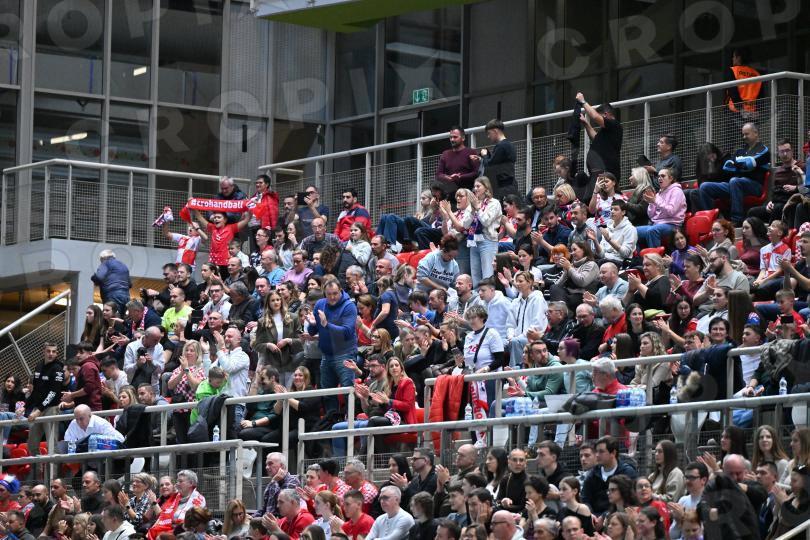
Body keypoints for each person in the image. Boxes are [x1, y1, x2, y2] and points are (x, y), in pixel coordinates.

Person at [697, 122, 770, 225]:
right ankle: (711, 220)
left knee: (735, 181)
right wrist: (742, 164)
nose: (744, 137)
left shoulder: (764, 150)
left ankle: (736, 219)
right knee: (705, 186)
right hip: (735, 185)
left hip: (755, 186)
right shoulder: (740, 151)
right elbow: (728, 166)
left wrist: (739, 164)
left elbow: (749, 164)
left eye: (747, 134)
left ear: (756, 133)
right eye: (743, 134)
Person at [306, 278, 358, 414]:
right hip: (326, 354)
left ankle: (351, 420)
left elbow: (347, 332)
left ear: (340, 290)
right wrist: (311, 324)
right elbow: (313, 331)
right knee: (327, 392)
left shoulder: (349, 306)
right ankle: (331, 420)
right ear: (324, 293)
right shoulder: (320, 304)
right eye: (329, 294)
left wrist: (326, 324)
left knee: (347, 390)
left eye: (335, 293)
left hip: (345, 353)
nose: (332, 297)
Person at [254, 290, 302, 387]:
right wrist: (268, 345)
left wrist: (288, 340)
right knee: (276, 392)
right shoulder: (262, 321)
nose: (276, 302)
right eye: (272, 300)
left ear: (281, 301)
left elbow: (301, 340)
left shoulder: (293, 317)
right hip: (272, 364)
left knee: (289, 392)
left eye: (278, 300)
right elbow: (257, 345)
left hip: (291, 362)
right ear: (268, 303)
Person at [582, 436, 638, 515]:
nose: (597, 455)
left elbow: (630, 499)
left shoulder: (627, 472)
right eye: (596, 451)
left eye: (601, 451)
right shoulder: (592, 474)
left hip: (620, 515)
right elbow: (585, 499)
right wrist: (590, 515)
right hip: (594, 517)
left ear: (613, 453)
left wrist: (605, 515)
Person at [577, 93, 623, 188]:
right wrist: (586, 124)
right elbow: (595, 138)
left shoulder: (614, 125)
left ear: (605, 114)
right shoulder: (606, 131)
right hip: (599, 173)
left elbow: (594, 116)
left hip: (608, 173)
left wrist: (583, 101)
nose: (599, 119)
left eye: (600, 116)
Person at [147, 470, 206, 540]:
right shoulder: (172, 498)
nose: (177, 484)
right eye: (161, 485)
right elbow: (161, 517)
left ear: (191, 483)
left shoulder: (198, 499)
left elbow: (190, 525)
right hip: (168, 530)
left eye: (180, 481)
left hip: (187, 534)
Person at [636, 168, 686, 248]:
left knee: (652, 230)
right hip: (657, 224)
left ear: (670, 178)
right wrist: (651, 202)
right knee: (633, 231)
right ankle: (639, 255)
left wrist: (655, 201)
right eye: (659, 176)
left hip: (672, 225)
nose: (659, 178)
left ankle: (655, 255)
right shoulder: (659, 193)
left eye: (663, 176)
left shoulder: (677, 191)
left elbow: (671, 211)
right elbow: (651, 215)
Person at [467, 177, 502, 287]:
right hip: (474, 241)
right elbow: (465, 225)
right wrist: (472, 210)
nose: (475, 189)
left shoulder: (494, 203)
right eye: (474, 186)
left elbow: (486, 222)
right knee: (475, 275)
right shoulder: (474, 203)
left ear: (486, 187)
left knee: (488, 274)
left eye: (478, 186)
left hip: (488, 241)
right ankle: (477, 297)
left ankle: (488, 296)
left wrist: (478, 208)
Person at [471, 119, 517, 201]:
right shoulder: (510, 145)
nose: (488, 136)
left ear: (495, 131)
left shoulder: (500, 146)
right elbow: (497, 162)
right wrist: (481, 158)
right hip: (511, 184)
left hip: (503, 187)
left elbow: (489, 166)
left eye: (489, 133)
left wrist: (484, 155)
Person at [433, 126, 480, 200]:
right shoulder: (445, 154)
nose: (452, 139)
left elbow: (476, 173)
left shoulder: (471, 152)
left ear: (463, 138)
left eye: (455, 137)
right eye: (451, 137)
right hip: (450, 195)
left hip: (467, 194)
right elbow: (438, 175)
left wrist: (460, 177)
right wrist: (448, 177)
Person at [254, 453, 301, 519]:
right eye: (266, 464)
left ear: (282, 466)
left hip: (280, 521)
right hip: (268, 520)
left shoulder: (293, 481)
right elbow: (264, 507)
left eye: (270, 464)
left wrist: (274, 481)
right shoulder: (273, 482)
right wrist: (252, 517)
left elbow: (275, 511)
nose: (267, 467)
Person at [91, 249, 132, 317]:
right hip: (126, 297)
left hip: (112, 296)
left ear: (103, 258)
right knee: (120, 318)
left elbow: (98, 277)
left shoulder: (106, 263)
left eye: (101, 260)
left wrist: (93, 278)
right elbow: (130, 284)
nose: (101, 262)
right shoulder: (124, 266)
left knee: (111, 318)